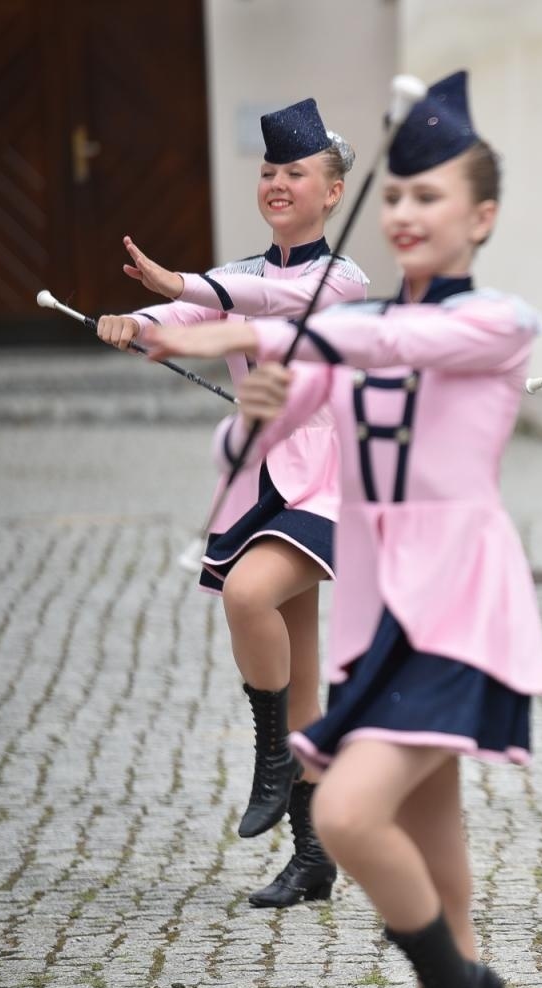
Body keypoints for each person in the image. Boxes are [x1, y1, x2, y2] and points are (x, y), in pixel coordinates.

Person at [144, 71, 542, 988]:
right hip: (377, 617)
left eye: (430, 197)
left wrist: (226, 323)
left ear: (482, 216)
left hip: (456, 609)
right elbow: (252, 450)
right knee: (436, 842)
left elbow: (379, 335)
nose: (407, 213)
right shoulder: (347, 334)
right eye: (398, 197)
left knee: (349, 810)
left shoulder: (495, 323)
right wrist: (250, 409)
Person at [96, 98, 367, 908]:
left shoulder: (340, 279)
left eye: (297, 174)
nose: (278, 184)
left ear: (333, 193)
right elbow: (185, 315)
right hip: (260, 481)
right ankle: (313, 857)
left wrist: (181, 289)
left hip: (329, 477)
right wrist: (130, 320)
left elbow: (247, 309)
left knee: (251, 595)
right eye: (269, 172)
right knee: (303, 675)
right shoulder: (241, 275)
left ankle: (272, 758)